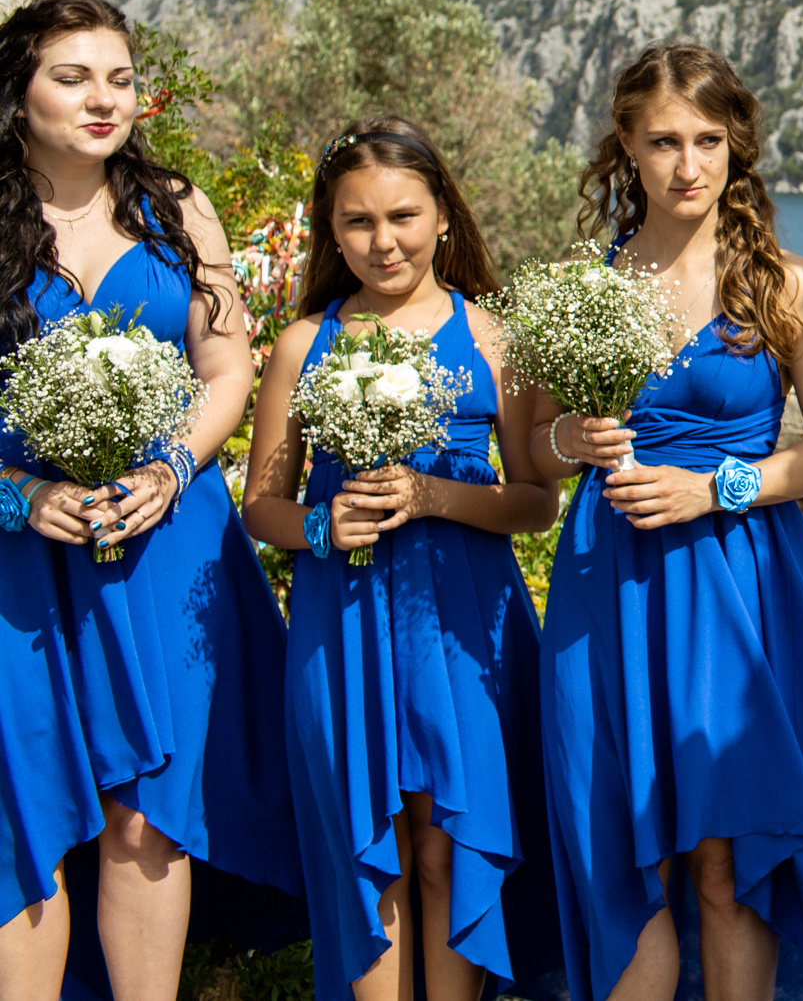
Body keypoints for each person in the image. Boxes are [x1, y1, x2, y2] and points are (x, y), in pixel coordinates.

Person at [532, 42, 803, 1001]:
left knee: (727, 858)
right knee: (624, 859)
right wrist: (574, 435)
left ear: (737, 147)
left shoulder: (784, 284)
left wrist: (714, 486)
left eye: (708, 140)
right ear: (626, 150)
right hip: (611, 584)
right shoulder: (585, 287)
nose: (688, 165)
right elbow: (536, 451)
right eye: (664, 141)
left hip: (741, 581)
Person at [0, 0, 301, 1001]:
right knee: (27, 806)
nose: (103, 98)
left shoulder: (177, 208)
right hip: (20, 559)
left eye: (120, 78)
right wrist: (18, 494)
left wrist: (170, 468)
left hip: (167, 539)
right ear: (18, 89)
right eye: (72, 75)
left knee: (149, 807)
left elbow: (227, 367)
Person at [241, 118, 565, 1001]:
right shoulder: (305, 343)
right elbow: (261, 504)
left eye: (403, 216)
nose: (382, 241)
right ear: (330, 230)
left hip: (465, 625)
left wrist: (432, 498)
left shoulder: (496, 339)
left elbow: (538, 501)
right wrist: (320, 525)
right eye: (357, 222)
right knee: (368, 853)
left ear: (444, 217)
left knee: (444, 848)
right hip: (341, 622)